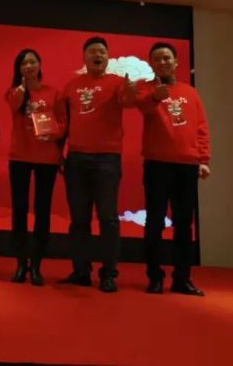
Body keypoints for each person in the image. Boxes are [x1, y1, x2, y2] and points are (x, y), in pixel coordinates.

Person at [61, 37, 136, 292]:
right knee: (79, 219)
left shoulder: (117, 83)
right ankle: (81, 271)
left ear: (108, 57)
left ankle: (109, 274)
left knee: (108, 218)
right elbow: (63, 122)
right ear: (84, 57)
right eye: (93, 51)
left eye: (102, 52)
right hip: (76, 159)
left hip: (107, 159)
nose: (98, 55)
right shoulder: (71, 86)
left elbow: (128, 102)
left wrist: (130, 91)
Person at [136, 41, 211, 296]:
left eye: (167, 58)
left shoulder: (191, 92)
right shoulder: (146, 88)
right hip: (157, 164)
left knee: (183, 224)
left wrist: (203, 159)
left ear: (176, 62)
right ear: (151, 64)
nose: (163, 62)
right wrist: (154, 97)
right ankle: (154, 277)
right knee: (154, 221)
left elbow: (201, 128)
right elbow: (143, 107)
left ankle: (182, 278)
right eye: (157, 59)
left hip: (187, 165)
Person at [5, 49, 66, 286]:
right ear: (18, 69)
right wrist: (22, 90)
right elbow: (13, 105)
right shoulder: (14, 92)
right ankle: (21, 263)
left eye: (32, 62)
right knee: (19, 209)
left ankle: (37, 265)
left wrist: (54, 133)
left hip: (46, 157)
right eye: (24, 63)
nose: (28, 66)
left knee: (42, 210)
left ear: (40, 65)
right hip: (20, 156)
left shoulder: (54, 93)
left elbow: (63, 122)